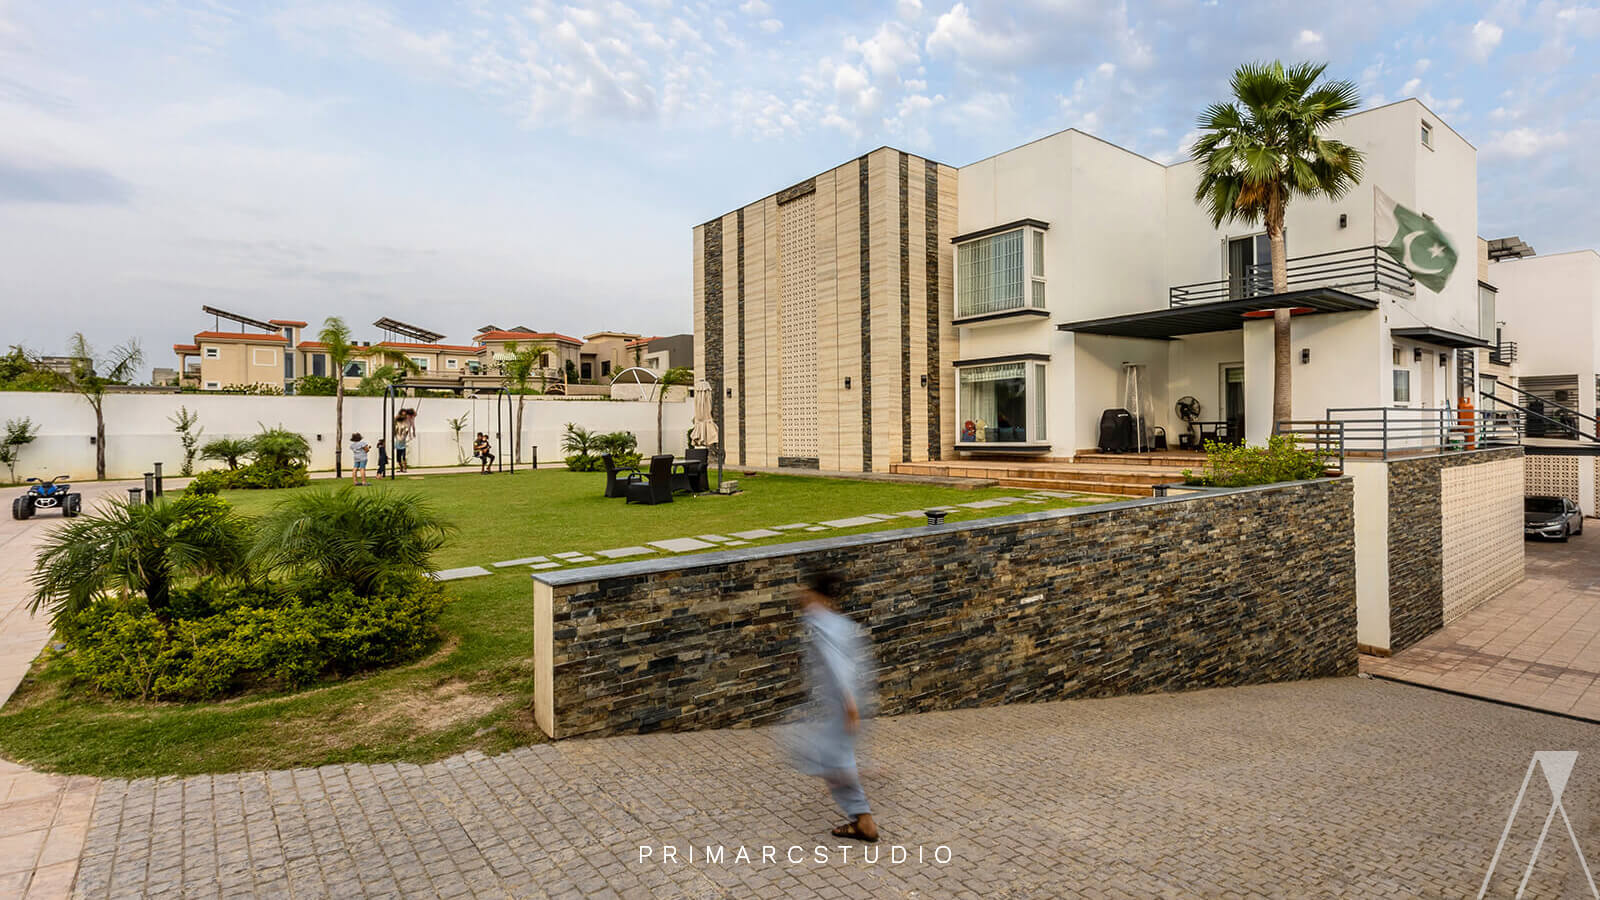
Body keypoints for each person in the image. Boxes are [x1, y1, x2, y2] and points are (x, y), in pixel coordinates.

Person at [788, 569, 879, 843]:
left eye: (806, 591)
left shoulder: (823, 626)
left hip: (843, 704)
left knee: (830, 759)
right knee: (832, 757)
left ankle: (864, 821)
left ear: (816, 594)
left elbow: (839, 665)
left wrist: (849, 704)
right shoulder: (838, 622)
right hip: (846, 703)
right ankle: (859, 800)